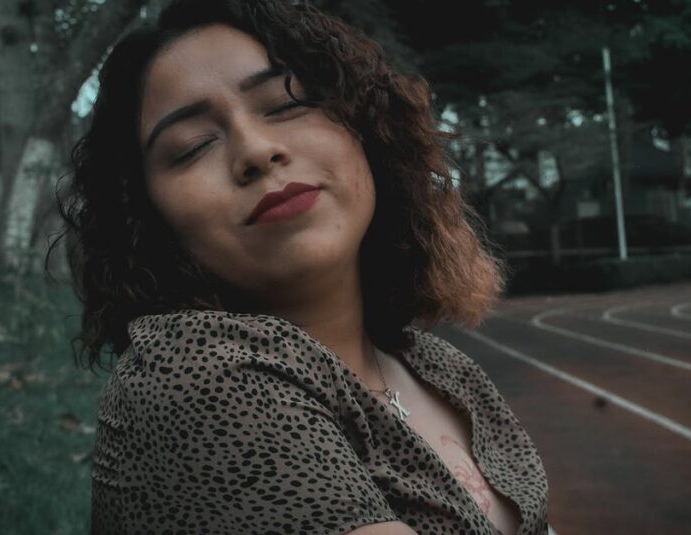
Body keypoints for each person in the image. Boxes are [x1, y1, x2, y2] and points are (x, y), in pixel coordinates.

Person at [56, 0, 549, 533]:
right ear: (146, 217)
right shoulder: (189, 375)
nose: (256, 150)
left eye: (287, 104)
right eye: (192, 146)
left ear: (367, 132)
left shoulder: (444, 370)